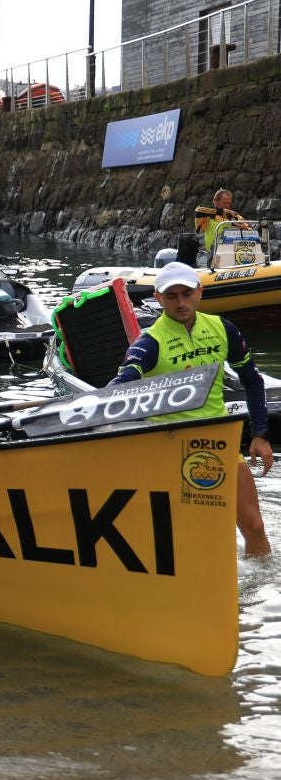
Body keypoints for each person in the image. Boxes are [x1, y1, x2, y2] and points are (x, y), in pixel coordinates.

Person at [110, 261, 272, 556]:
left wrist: (260, 434)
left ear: (199, 292)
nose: (181, 303)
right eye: (171, 296)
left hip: (219, 441)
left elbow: (252, 380)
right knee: (193, 535)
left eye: (187, 293)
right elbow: (120, 386)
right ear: (158, 298)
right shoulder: (149, 342)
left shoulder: (223, 328)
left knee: (255, 526)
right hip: (171, 446)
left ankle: (260, 595)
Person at [195, 188, 250, 253]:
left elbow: (249, 228)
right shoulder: (207, 214)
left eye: (229, 203)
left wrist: (244, 228)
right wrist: (222, 211)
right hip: (209, 253)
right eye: (224, 203)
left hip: (231, 251)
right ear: (215, 201)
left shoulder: (233, 215)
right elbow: (198, 210)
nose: (227, 206)